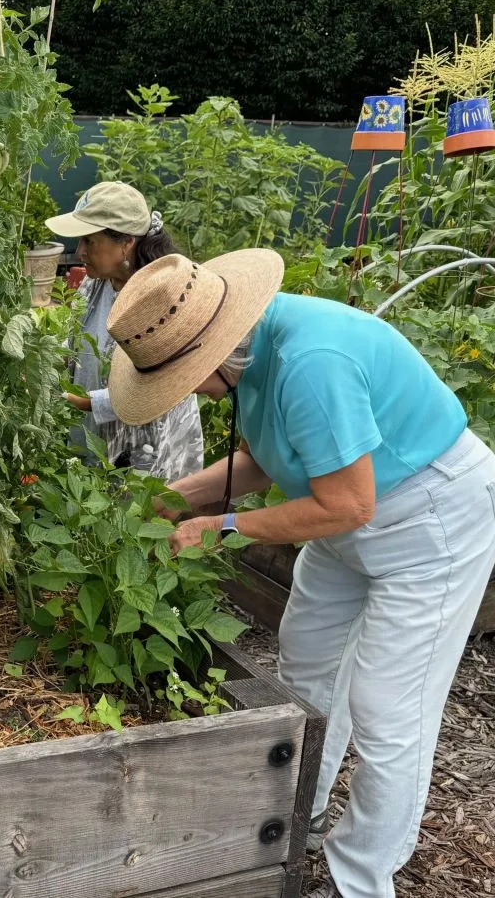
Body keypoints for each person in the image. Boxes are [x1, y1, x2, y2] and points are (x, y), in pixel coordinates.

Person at [103, 248, 495, 898]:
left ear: (211, 351)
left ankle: (359, 879)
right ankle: (298, 815)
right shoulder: (255, 353)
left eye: (185, 379)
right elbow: (263, 461)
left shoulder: (312, 362)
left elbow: (349, 502)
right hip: (343, 515)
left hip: (429, 520)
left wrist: (223, 527)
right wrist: (177, 498)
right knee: (307, 659)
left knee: (388, 709)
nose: (188, 394)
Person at [45, 181, 203, 480]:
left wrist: (90, 402)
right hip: (95, 432)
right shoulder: (98, 282)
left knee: (134, 517)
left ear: (126, 242)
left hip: (146, 447)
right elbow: (76, 339)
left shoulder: (163, 296)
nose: (79, 251)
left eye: (89, 242)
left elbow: (165, 381)